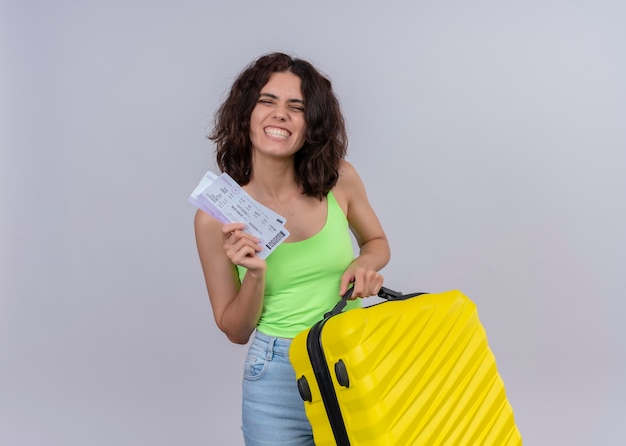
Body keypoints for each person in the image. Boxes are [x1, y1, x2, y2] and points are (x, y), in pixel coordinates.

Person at [193, 52, 390, 446]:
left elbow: (377, 243)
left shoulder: (341, 180)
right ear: (245, 113)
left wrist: (365, 264)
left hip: (350, 358)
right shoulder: (215, 218)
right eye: (268, 101)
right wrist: (254, 274)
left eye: (296, 107)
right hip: (276, 376)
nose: (280, 114)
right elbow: (235, 330)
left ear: (311, 124)